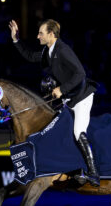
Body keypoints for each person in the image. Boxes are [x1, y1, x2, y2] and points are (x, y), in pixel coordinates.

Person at [8, 19, 100, 187]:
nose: (37, 36)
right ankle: (73, 168)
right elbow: (29, 56)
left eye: (41, 33)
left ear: (51, 34)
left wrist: (62, 89)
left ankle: (93, 173)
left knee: (78, 132)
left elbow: (80, 74)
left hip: (82, 98)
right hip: (69, 98)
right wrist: (16, 40)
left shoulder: (63, 50)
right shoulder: (48, 50)